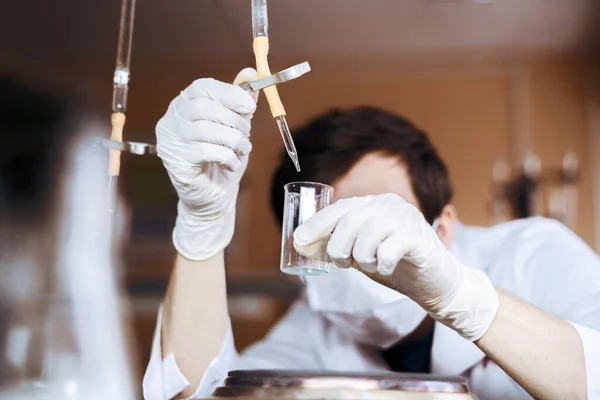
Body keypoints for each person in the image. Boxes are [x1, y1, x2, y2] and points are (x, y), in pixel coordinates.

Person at [142, 69, 600, 400]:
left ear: (441, 227)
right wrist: (202, 224)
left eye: (376, 212)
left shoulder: (534, 254)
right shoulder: (316, 325)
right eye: (322, 226)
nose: (348, 241)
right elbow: (199, 393)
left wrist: (462, 297)